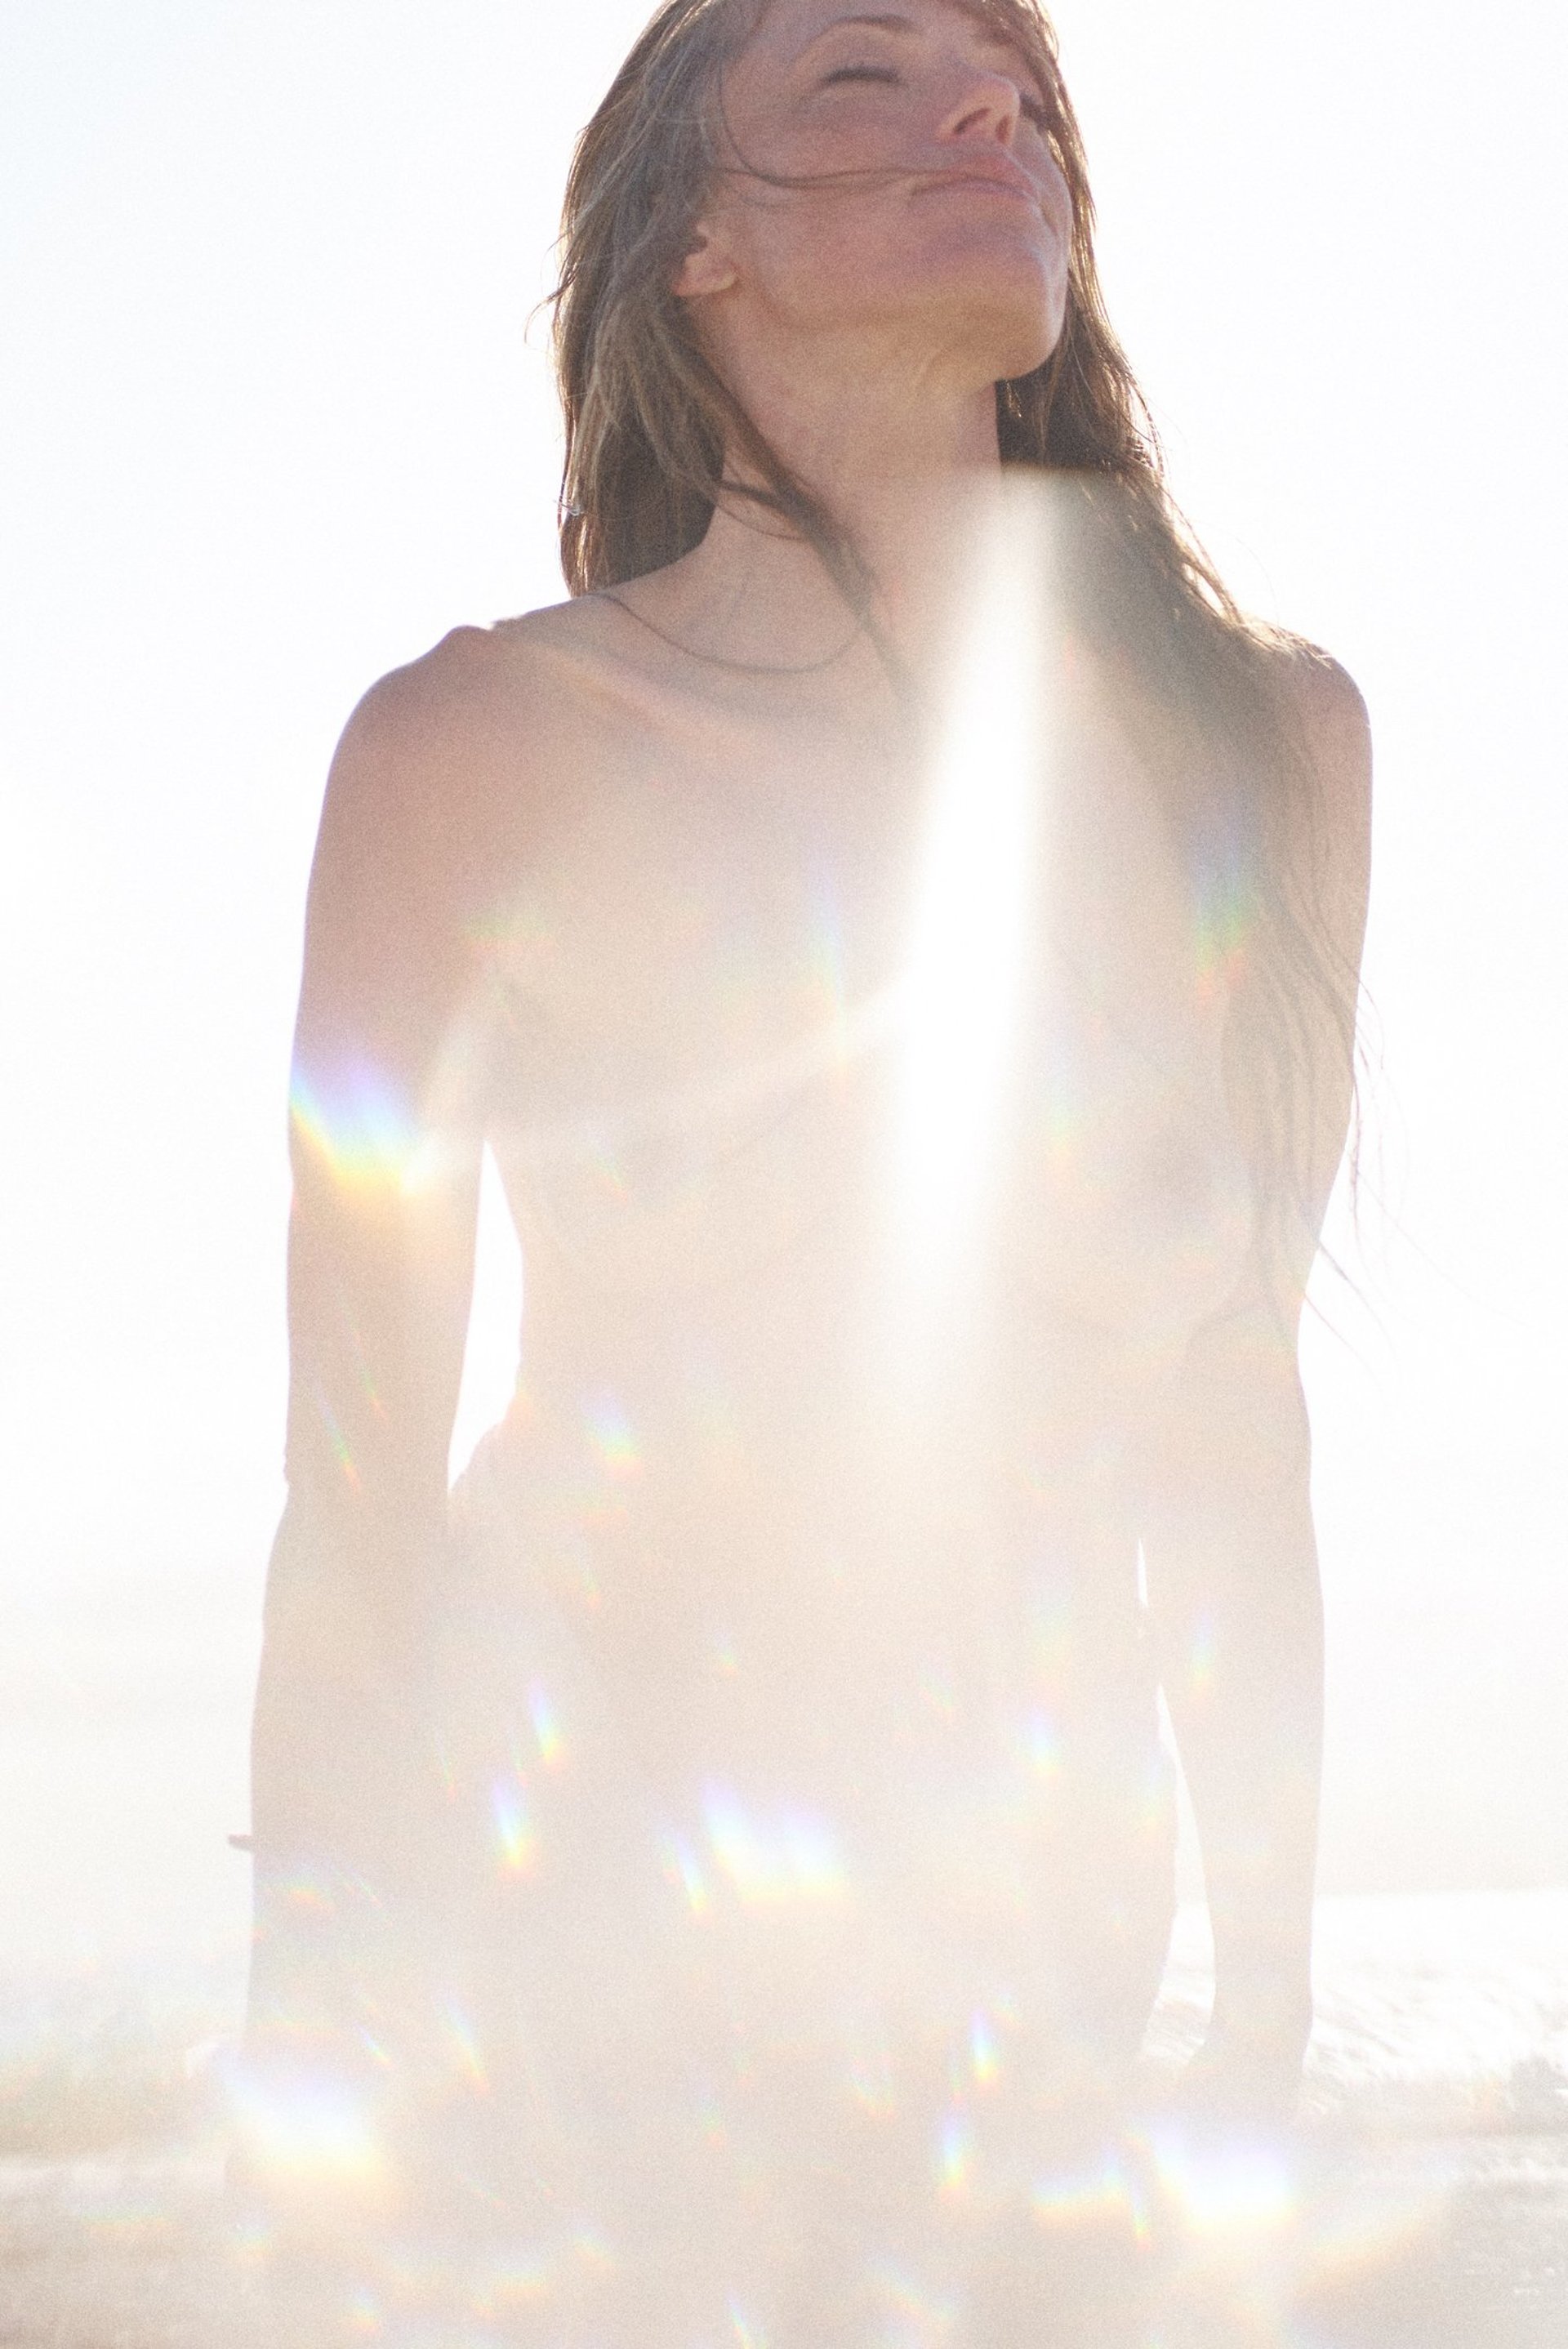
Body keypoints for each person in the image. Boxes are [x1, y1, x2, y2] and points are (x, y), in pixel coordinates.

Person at [238, 0, 1370, 2333]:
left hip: (1033, 1993)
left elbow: (1233, 1421)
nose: (986, 105)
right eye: (867, 72)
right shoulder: (477, 758)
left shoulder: (1259, 742)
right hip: (586, 1966)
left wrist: (1261, 2022)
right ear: (694, 245)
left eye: (1015, 83)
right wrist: (309, 2068)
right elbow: (358, 1492)